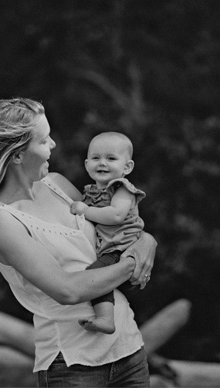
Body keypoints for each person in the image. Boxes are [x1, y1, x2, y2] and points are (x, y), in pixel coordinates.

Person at [0, 98, 156, 387]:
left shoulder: (58, 185)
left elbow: (113, 231)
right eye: (44, 139)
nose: (54, 145)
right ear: (18, 155)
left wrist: (147, 240)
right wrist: (133, 262)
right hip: (73, 366)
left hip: (128, 349)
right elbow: (67, 289)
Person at [70, 132, 146, 335]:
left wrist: (84, 210)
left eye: (111, 158)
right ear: (86, 164)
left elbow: (115, 216)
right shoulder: (92, 191)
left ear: (127, 167)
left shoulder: (122, 189)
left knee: (95, 275)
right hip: (109, 247)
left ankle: (105, 319)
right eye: (96, 158)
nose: (102, 163)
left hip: (122, 247)